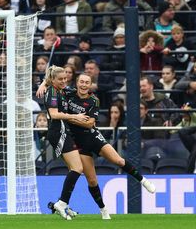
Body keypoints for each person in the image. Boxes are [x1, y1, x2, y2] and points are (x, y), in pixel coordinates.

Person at [64, 74, 157, 205]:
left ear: (90, 85)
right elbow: (53, 87)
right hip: (80, 143)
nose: (84, 85)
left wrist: (70, 118)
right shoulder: (68, 94)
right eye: (81, 82)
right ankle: (103, 209)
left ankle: (143, 180)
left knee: (118, 160)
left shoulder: (94, 100)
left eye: (87, 83)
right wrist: (44, 84)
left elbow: (90, 123)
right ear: (77, 83)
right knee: (91, 180)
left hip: (93, 137)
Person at [43, 65, 88, 220]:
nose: (64, 81)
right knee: (78, 168)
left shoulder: (61, 90)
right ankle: (61, 203)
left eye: (65, 78)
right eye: (60, 79)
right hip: (58, 133)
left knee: (73, 169)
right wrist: (75, 117)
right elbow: (54, 115)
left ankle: (64, 203)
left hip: (63, 132)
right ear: (52, 80)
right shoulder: (52, 92)